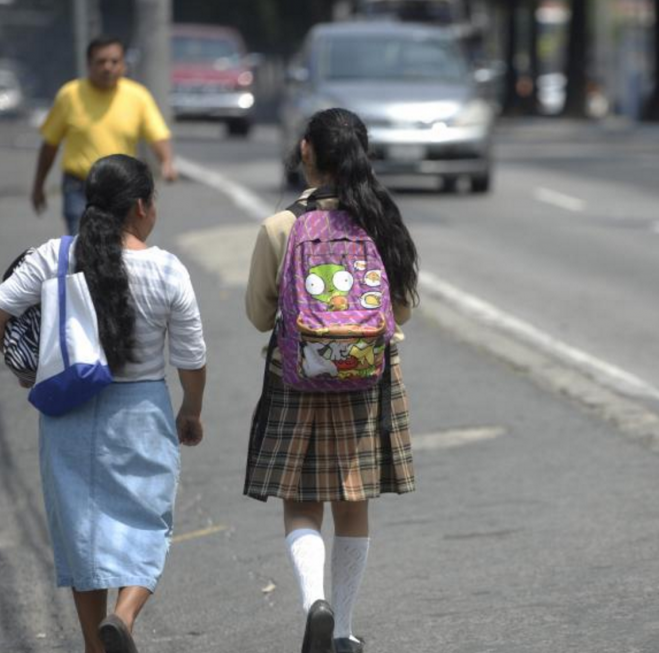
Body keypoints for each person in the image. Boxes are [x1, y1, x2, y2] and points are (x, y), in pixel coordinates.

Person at [0, 154, 206, 653]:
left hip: (69, 412)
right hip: (142, 412)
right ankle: (124, 618)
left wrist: (28, 367)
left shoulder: (55, 255)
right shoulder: (167, 270)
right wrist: (191, 409)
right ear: (141, 207)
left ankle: (95, 647)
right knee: (150, 525)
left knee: (83, 535)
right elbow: (191, 358)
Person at [244, 108, 419, 653]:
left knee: (300, 501)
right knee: (353, 500)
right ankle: (342, 630)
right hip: (366, 378)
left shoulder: (281, 226)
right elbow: (403, 310)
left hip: (296, 377)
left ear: (306, 151)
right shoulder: (383, 219)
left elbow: (257, 315)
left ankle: (311, 602)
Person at [31, 36, 178, 236]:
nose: (108, 67)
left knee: (120, 247)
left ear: (124, 64)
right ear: (89, 64)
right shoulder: (70, 95)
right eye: (101, 62)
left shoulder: (138, 96)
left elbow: (157, 134)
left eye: (114, 61)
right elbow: (50, 144)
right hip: (79, 187)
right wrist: (39, 185)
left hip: (121, 187)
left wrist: (167, 161)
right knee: (81, 246)